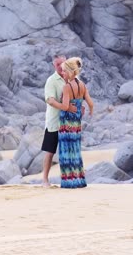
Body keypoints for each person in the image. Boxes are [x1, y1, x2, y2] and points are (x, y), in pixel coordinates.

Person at [51, 57, 94, 188]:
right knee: (75, 150)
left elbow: (64, 106)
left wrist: (54, 102)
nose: (62, 73)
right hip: (76, 123)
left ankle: (69, 181)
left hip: (66, 123)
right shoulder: (82, 85)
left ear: (69, 72)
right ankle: (79, 180)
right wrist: (85, 111)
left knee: (66, 151)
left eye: (64, 71)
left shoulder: (67, 87)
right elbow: (91, 103)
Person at [41, 56, 77, 187]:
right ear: (54, 65)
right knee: (50, 152)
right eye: (58, 64)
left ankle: (69, 179)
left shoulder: (72, 78)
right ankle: (45, 179)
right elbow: (50, 100)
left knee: (68, 151)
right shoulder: (51, 81)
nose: (61, 66)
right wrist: (65, 106)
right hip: (54, 122)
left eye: (63, 63)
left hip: (69, 122)